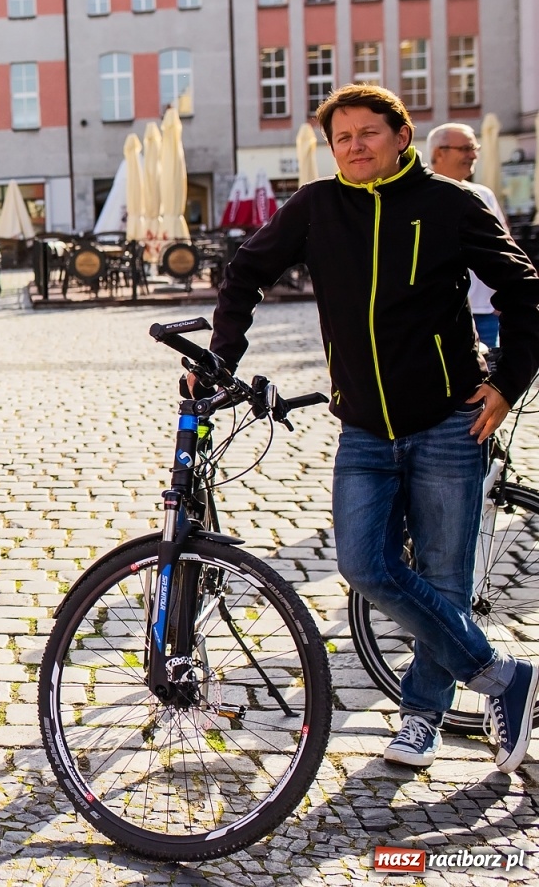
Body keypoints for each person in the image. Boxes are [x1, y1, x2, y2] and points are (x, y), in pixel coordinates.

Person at [210, 84, 539, 774]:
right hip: (363, 430)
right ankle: (502, 675)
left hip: (452, 423)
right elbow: (245, 271)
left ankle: (420, 718)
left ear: (400, 134)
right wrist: (222, 356)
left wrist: (508, 383)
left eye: (367, 132)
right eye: (342, 137)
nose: (354, 145)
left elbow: (522, 289)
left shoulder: (452, 205)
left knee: (445, 582)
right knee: (364, 565)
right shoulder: (316, 207)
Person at [428, 122, 506, 349]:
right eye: (465, 149)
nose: (473, 155)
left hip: (485, 310)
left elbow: (504, 247)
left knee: (487, 379)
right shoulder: (419, 196)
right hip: (439, 313)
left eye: (475, 149)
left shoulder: (483, 194)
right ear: (438, 153)